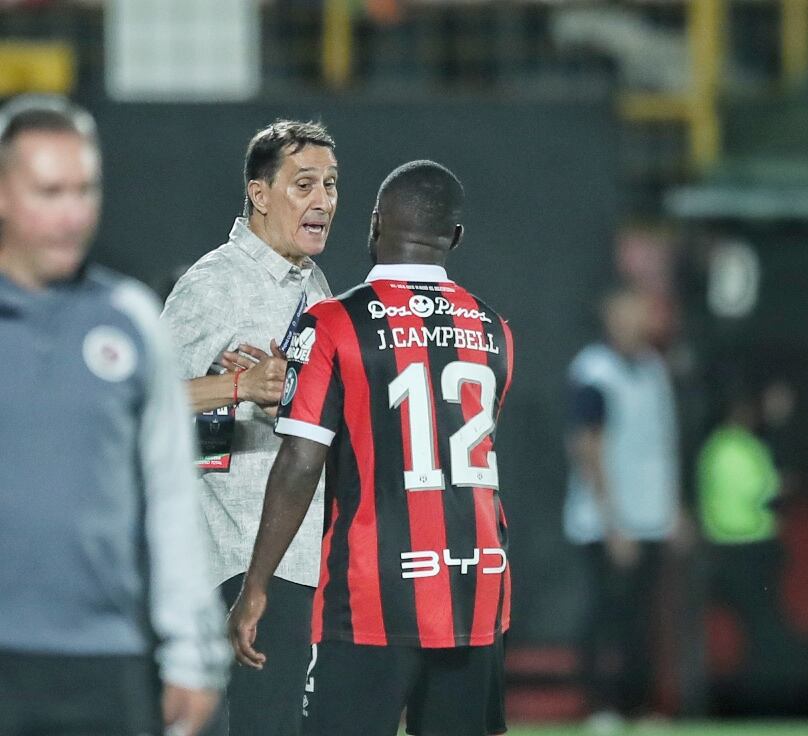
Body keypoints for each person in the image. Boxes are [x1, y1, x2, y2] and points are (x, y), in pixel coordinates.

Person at [228, 160, 515, 736]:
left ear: (374, 223)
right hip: (477, 587)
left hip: (371, 593)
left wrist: (255, 583)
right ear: (454, 237)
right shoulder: (493, 329)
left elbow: (301, 460)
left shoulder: (333, 322)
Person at [0, 95, 229, 735]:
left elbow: (171, 498)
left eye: (85, 191)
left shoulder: (129, 322)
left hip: (106, 660)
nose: (72, 215)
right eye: (49, 192)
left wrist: (190, 651)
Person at [160, 120, 338, 736]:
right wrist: (238, 386)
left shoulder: (314, 285)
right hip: (237, 556)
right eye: (305, 184)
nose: (323, 201)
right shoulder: (215, 284)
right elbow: (140, 400)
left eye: (332, 185)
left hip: (300, 552)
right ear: (260, 194)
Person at [563, 285, 687, 730]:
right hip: (605, 524)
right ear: (610, 316)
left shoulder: (654, 367)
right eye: (626, 311)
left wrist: (673, 508)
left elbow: (662, 443)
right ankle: (602, 708)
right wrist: (612, 520)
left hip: (652, 517)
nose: (635, 320)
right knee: (605, 618)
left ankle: (642, 708)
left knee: (645, 622)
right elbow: (587, 445)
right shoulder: (596, 370)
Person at [696, 380, 795, 713]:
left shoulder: (714, 446)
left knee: (755, 631)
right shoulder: (735, 447)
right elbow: (767, 489)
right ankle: (761, 703)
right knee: (763, 632)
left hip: (728, 548)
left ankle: (758, 701)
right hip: (744, 548)